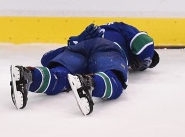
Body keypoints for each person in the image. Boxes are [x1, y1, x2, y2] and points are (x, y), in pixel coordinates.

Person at [10, 21, 159, 115]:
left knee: (59, 76)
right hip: (106, 48)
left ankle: (28, 75)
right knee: (115, 80)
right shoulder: (120, 28)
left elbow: (46, 59)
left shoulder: (91, 33)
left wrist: (75, 41)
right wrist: (144, 61)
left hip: (80, 47)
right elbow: (144, 44)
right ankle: (90, 83)